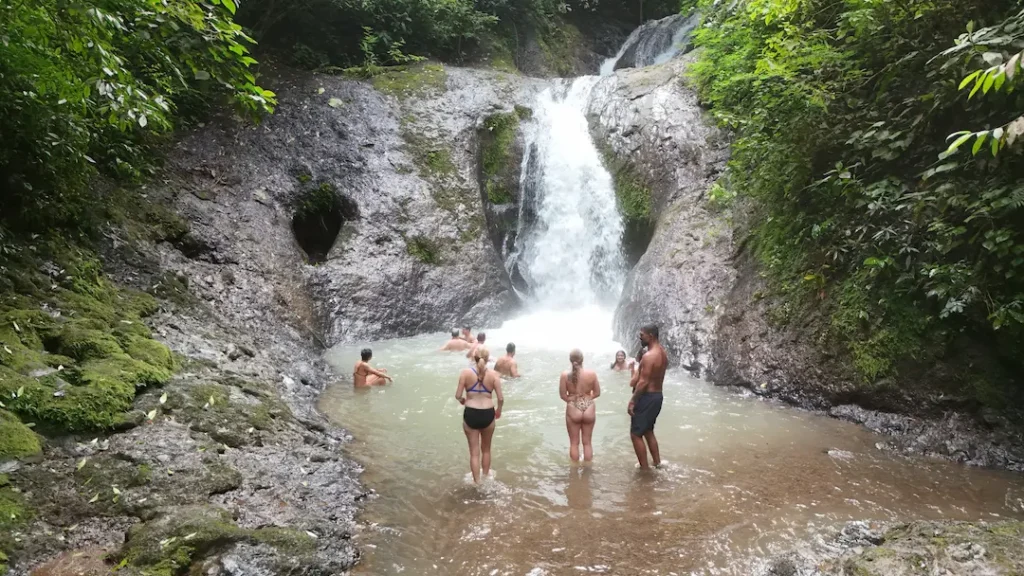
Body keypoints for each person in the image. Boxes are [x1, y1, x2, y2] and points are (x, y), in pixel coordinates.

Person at [455, 346, 504, 484]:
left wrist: (463, 400)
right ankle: (486, 477)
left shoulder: (465, 373)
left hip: (471, 413)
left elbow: (458, 395)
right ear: (488, 359)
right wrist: (498, 411)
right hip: (488, 413)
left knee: (474, 453)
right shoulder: (494, 375)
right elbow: (500, 398)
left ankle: (477, 483)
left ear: (475, 358)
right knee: (486, 450)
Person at [627, 325, 666, 469]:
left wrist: (632, 402)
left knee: (635, 434)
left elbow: (643, 382)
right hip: (657, 396)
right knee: (648, 430)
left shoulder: (649, 356)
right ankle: (657, 463)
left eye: (642, 334)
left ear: (651, 335)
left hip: (647, 397)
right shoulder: (662, 352)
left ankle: (644, 469)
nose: (639, 337)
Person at [560, 349, 601, 463]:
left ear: (570, 360)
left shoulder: (564, 375)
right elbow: (597, 393)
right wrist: (587, 398)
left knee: (574, 443)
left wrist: (572, 399)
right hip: (589, 406)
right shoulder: (591, 374)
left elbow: (563, 395)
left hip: (574, 406)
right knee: (587, 442)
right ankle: (587, 470)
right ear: (582, 359)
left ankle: (574, 471)